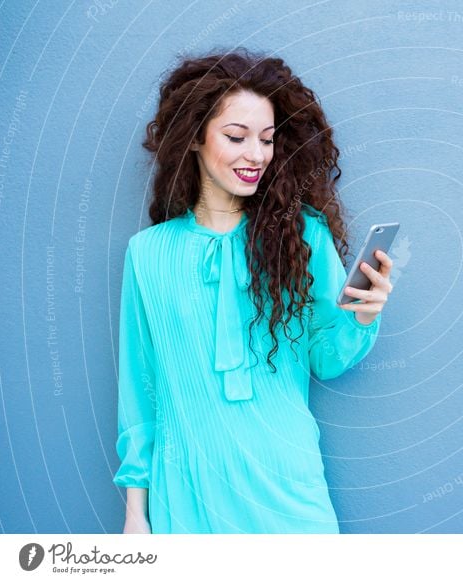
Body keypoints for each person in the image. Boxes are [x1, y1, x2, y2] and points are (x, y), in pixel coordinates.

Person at [112, 48, 394, 534]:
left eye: (266, 139)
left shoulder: (303, 235)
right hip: (186, 493)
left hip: (286, 484)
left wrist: (363, 316)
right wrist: (136, 511)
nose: (256, 155)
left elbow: (326, 358)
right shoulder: (147, 254)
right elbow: (141, 391)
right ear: (195, 138)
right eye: (236, 137)